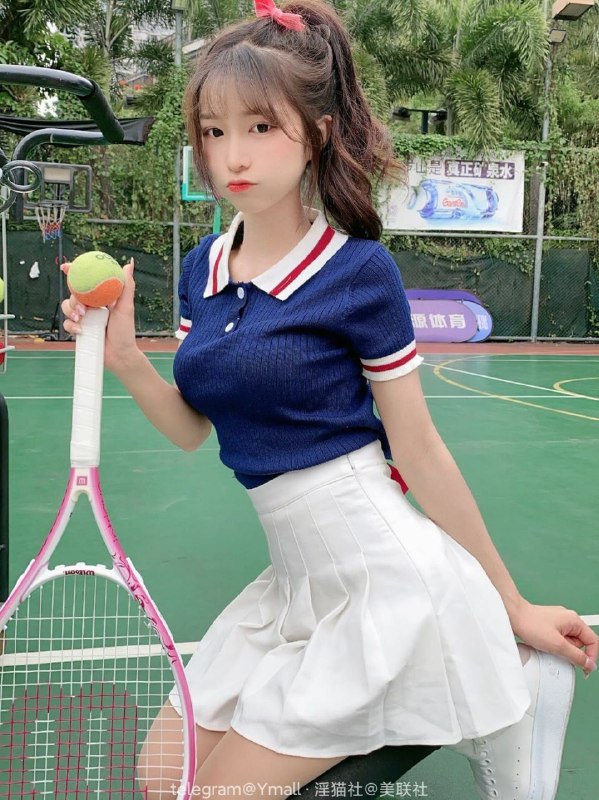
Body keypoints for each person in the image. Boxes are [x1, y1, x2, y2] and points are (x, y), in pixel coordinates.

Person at [61, 1, 599, 797]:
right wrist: (127, 359)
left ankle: (507, 669)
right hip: (292, 581)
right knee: (158, 778)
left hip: (377, 570)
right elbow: (192, 429)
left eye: (259, 127)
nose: (232, 154)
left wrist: (510, 601)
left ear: (314, 133)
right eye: (213, 130)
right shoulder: (203, 267)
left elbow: (419, 449)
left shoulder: (356, 272)